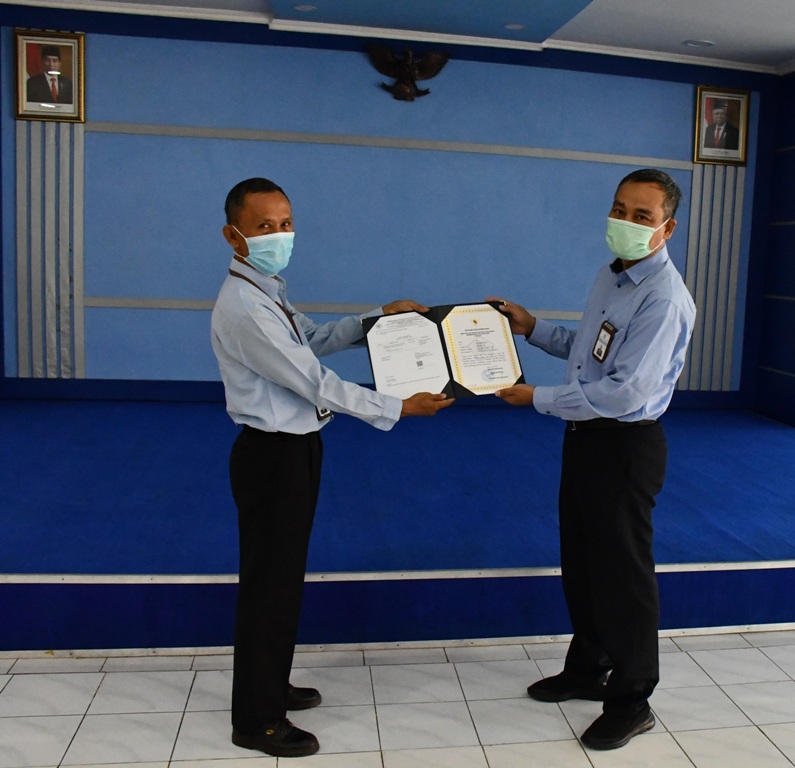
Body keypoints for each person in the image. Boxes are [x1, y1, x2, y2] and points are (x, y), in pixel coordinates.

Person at [211, 177, 453, 758]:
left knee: (281, 580)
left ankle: (271, 684)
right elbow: (314, 382)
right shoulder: (246, 307)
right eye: (263, 227)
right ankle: (257, 720)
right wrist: (397, 405)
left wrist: (377, 320)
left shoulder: (267, 289)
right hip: (272, 455)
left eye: (285, 224)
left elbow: (313, 339)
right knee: (270, 587)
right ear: (233, 236)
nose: (278, 236)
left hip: (293, 449)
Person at [489, 168, 695, 751]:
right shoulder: (613, 275)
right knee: (582, 563)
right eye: (620, 209)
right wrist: (532, 329)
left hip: (625, 445)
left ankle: (632, 700)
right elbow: (590, 353)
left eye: (642, 216)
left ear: (666, 229)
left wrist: (536, 398)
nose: (625, 222)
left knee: (623, 577)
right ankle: (588, 667)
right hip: (585, 437)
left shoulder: (663, 299)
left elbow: (625, 393)